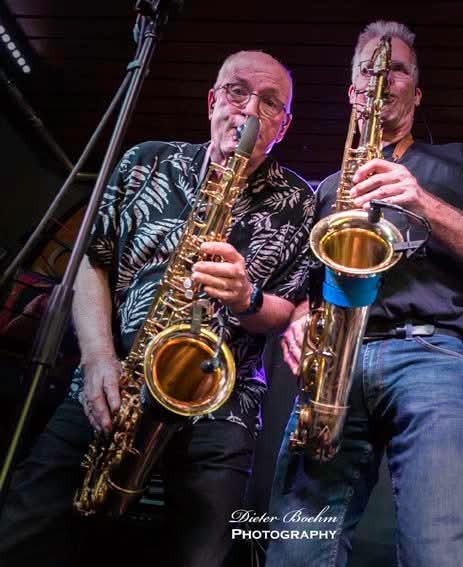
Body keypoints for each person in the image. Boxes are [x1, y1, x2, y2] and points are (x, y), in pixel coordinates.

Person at [0, 50, 314, 567]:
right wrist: (98, 357)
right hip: (114, 377)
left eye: (270, 102)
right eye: (237, 92)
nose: (250, 110)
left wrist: (247, 298)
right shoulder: (146, 160)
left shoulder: (300, 201)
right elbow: (91, 263)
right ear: (212, 101)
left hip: (222, 401)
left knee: (204, 554)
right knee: (24, 529)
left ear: (283, 125)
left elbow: (289, 311)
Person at [265, 21, 463, 567]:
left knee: (443, 551)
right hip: (335, 362)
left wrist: (421, 201)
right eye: (369, 69)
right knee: (296, 550)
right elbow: (307, 288)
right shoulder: (327, 188)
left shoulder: (457, 161)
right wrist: (301, 317)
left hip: (430, 352)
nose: (381, 77)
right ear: (352, 91)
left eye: (397, 69)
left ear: (416, 92)